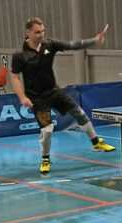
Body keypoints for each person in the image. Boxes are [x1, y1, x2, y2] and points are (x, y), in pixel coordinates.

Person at [10, 20, 114, 174]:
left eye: (43, 31)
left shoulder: (49, 45)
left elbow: (73, 45)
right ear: (28, 33)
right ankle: (45, 159)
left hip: (54, 92)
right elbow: (14, 77)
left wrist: (94, 40)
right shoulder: (19, 55)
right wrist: (22, 97)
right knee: (47, 131)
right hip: (37, 98)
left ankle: (96, 142)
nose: (41, 35)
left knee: (79, 113)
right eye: (37, 32)